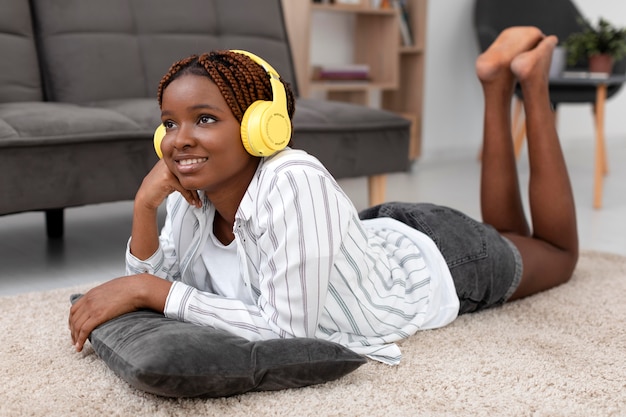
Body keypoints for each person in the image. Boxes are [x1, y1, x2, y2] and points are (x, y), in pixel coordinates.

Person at [69, 27, 578, 365]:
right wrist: (144, 205)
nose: (179, 139)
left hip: (445, 259)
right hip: (378, 237)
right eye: (169, 124)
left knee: (558, 254)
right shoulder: (188, 190)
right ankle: (494, 83)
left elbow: (287, 335)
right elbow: (148, 285)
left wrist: (155, 293)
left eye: (205, 119)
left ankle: (529, 84)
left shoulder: (295, 180)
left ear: (261, 128)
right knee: (513, 234)